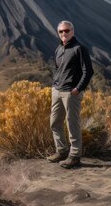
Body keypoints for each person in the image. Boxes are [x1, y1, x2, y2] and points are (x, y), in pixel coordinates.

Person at [47, 20, 94, 169]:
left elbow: (88, 71)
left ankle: (74, 156)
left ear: (72, 31)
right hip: (57, 90)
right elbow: (57, 69)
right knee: (54, 122)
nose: (64, 33)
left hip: (71, 93)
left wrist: (78, 89)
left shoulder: (79, 49)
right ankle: (61, 151)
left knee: (72, 123)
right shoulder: (59, 49)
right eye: (61, 31)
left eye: (66, 30)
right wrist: (54, 85)